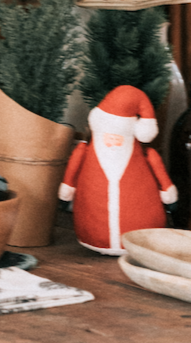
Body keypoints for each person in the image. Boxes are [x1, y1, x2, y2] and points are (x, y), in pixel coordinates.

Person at [58, 85, 177, 255]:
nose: (112, 139)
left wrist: (167, 190)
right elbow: (72, 171)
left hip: (142, 229)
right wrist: (67, 187)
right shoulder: (84, 151)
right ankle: (96, 237)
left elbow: (158, 168)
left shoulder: (147, 155)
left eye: (118, 134)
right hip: (92, 231)